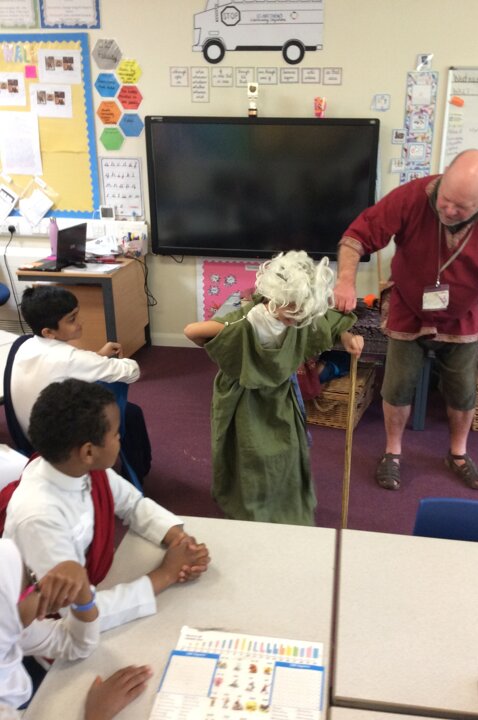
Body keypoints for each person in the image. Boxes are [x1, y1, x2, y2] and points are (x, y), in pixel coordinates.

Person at [334, 148, 478, 491]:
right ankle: (392, 452)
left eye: (462, 206)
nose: (449, 210)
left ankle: (457, 453)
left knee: (463, 391)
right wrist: (345, 280)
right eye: (446, 200)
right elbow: (356, 237)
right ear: (443, 177)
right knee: (397, 386)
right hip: (408, 306)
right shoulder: (413, 196)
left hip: (463, 312)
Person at [3, 379, 210, 632]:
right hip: (44, 629)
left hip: (92, 581)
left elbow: (132, 504)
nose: (120, 437)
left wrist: (180, 541)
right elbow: (79, 613)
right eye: (115, 433)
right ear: (88, 452)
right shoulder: (39, 518)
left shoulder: (77, 468)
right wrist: (166, 574)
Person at [184, 250, 364, 525]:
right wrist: (226, 343)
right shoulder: (246, 321)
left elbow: (327, 321)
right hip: (243, 399)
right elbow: (192, 331)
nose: (295, 322)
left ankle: (285, 500)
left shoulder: (299, 314)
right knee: (251, 454)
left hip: (281, 393)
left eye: (300, 317)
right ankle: (252, 507)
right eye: (290, 315)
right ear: (274, 298)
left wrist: (348, 337)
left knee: (288, 448)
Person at [0, 539, 152, 720]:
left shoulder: (11, 634)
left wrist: (82, 593)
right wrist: (97, 715)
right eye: (32, 578)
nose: (40, 584)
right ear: (8, 612)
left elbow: (75, 643)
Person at [11, 286, 151, 481]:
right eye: (72, 319)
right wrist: (105, 361)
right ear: (49, 332)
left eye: (77, 315)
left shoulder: (24, 344)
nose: (80, 323)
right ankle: (136, 474)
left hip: (29, 436)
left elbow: (70, 366)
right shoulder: (71, 358)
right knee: (129, 414)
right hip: (61, 446)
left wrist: (97, 357)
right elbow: (132, 372)